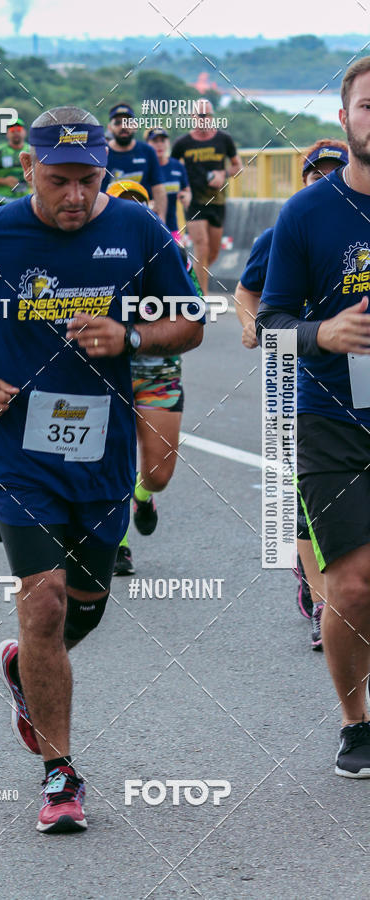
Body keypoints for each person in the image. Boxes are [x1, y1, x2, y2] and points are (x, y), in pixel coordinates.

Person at [0, 106, 204, 833]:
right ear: (28, 169)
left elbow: (190, 320)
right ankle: (60, 774)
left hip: (104, 455)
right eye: (58, 181)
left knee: (85, 604)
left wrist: (131, 334)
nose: (75, 196)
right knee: (43, 599)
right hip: (20, 451)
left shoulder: (138, 230)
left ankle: (23, 667)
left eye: (88, 180)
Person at [256, 57, 370, 777]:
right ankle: (356, 722)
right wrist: (322, 333)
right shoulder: (306, 213)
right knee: (354, 584)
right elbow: (271, 320)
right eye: (369, 104)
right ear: (345, 118)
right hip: (333, 414)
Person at [236, 139, 348, 647]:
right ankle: (325, 601)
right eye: (315, 172)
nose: (323, 179)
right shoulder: (284, 229)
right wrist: (249, 325)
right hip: (298, 374)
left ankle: (326, 580)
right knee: (303, 491)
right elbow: (248, 291)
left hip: (358, 371)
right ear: (302, 179)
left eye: (333, 171)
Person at [105, 180, 203, 576]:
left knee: (159, 474)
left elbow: (193, 314)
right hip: (106, 373)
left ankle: (143, 497)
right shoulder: (89, 254)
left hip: (158, 372)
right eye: (123, 205)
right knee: (113, 463)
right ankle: (118, 544)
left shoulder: (172, 253)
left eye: (140, 204)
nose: (134, 211)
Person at [172, 99, 242, 294]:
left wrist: (223, 174)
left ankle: (189, 278)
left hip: (217, 201)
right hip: (194, 201)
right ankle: (201, 296)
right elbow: (171, 169)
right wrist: (181, 190)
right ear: (192, 118)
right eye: (201, 116)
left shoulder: (223, 139)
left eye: (208, 116)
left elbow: (238, 166)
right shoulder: (183, 143)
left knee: (212, 252)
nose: (205, 120)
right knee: (201, 247)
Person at [101, 103, 167, 222]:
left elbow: (158, 187)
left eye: (128, 122)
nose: (123, 126)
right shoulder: (102, 153)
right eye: (117, 122)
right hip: (111, 218)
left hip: (143, 217)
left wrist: (161, 218)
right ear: (110, 127)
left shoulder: (147, 151)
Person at [146, 126, 191, 244]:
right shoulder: (144, 167)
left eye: (162, 140)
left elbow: (187, 190)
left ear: (168, 143)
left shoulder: (177, 166)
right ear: (147, 144)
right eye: (155, 141)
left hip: (172, 227)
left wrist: (186, 196)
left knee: (177, 261)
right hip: (148, 228)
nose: (159, 145)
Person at [0, 118, 31, 207]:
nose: (16, 132)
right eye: (12, 130)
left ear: (25, 132)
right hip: (1, 202)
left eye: (19, 130)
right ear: (7, 134)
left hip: (24, 201)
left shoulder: (31, 151)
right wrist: (4, 181)